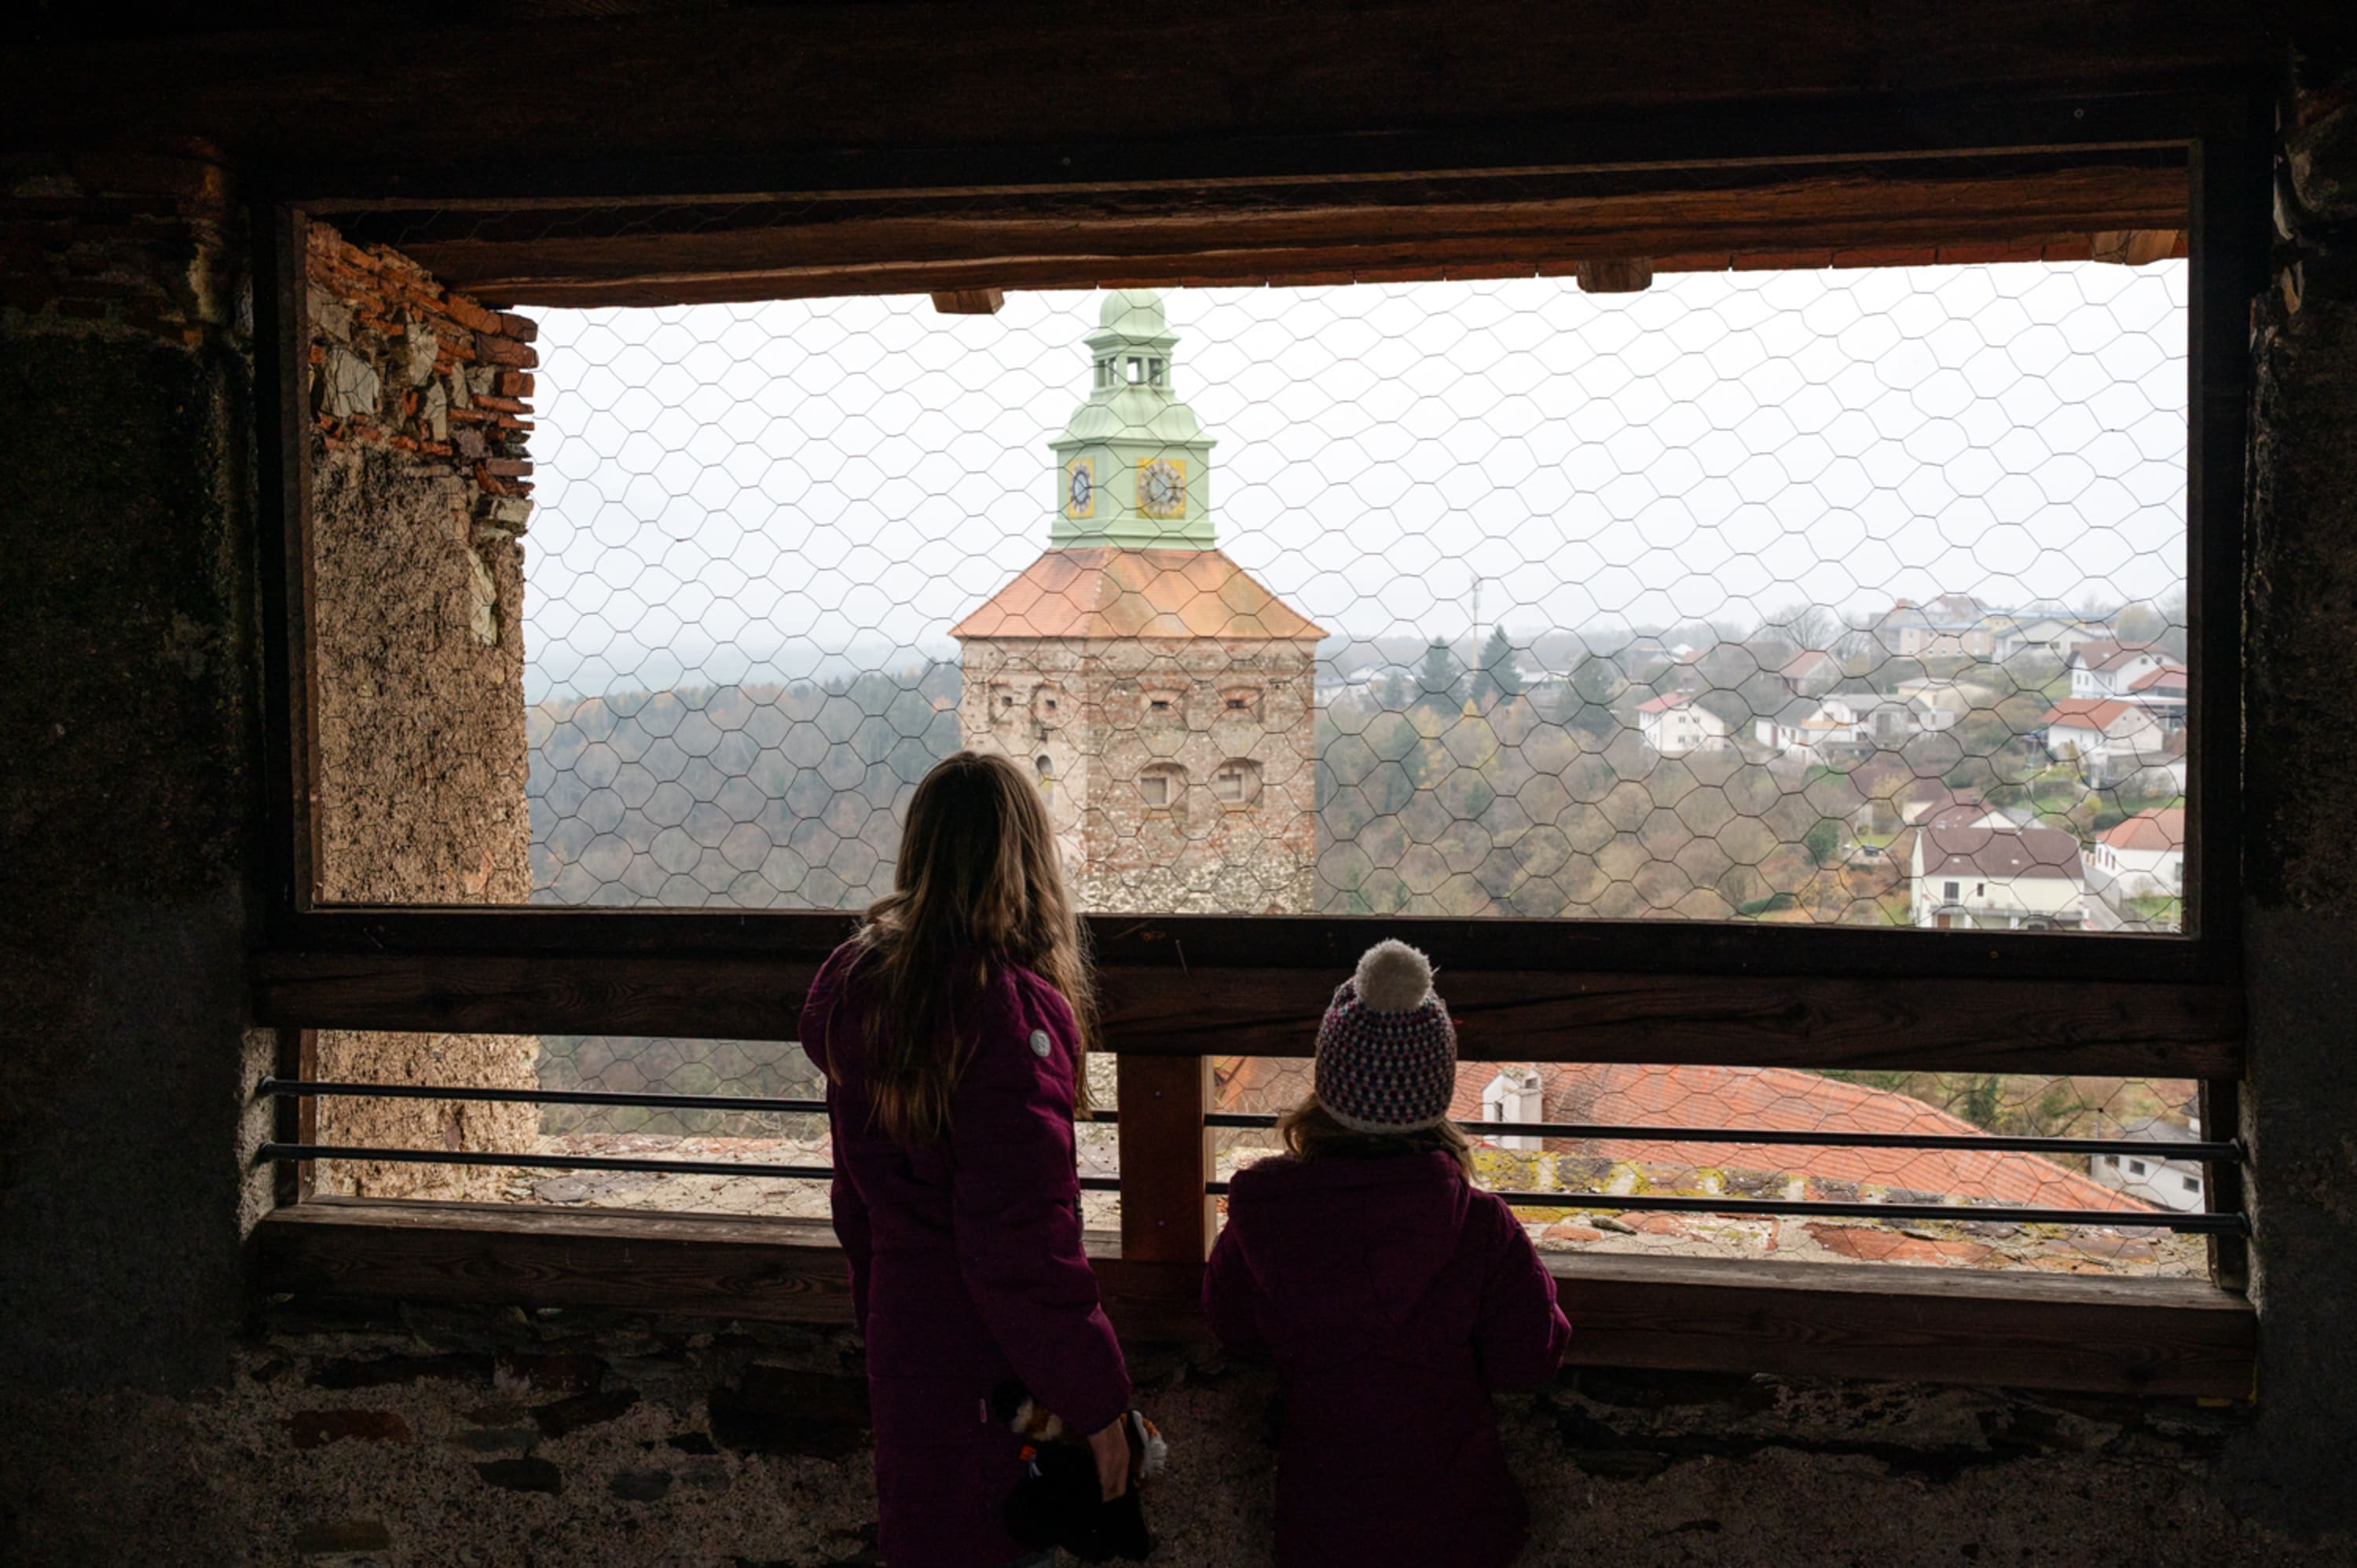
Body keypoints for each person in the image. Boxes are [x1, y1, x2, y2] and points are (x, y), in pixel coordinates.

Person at [801, 751, 1133, 1568]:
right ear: (1029, 859)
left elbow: (858, 1210)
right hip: (996, 1376)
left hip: (907, 1342)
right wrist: (1098, 1401)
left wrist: (888, 1326)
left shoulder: (864, 991)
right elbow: (1023, 1248)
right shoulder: (1006, 1021)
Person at [1204, 939, 1573, 1568]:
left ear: (1328, 1085)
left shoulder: (1267, 1219)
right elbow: (1528, 1358)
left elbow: (1231, 1324)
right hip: (1458, 1529)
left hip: (1322, 1527)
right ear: (1437, 1092)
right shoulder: (1480, 1228)